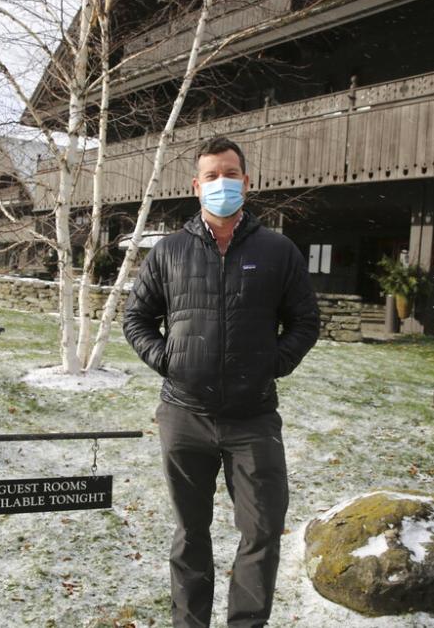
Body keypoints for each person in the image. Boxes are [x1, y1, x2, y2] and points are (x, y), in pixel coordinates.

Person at [123, 136, 320, 627]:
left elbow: (305, 321)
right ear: (196, 186)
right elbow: (136, 318)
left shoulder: (277, 250)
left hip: (253, 418)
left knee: (262, 531)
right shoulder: (169, 251)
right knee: (190, 533)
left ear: (246, 182)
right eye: (211, 176)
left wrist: (273, 363)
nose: (221, 183)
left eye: (230, 174)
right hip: (184, 414)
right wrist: (168, 359)